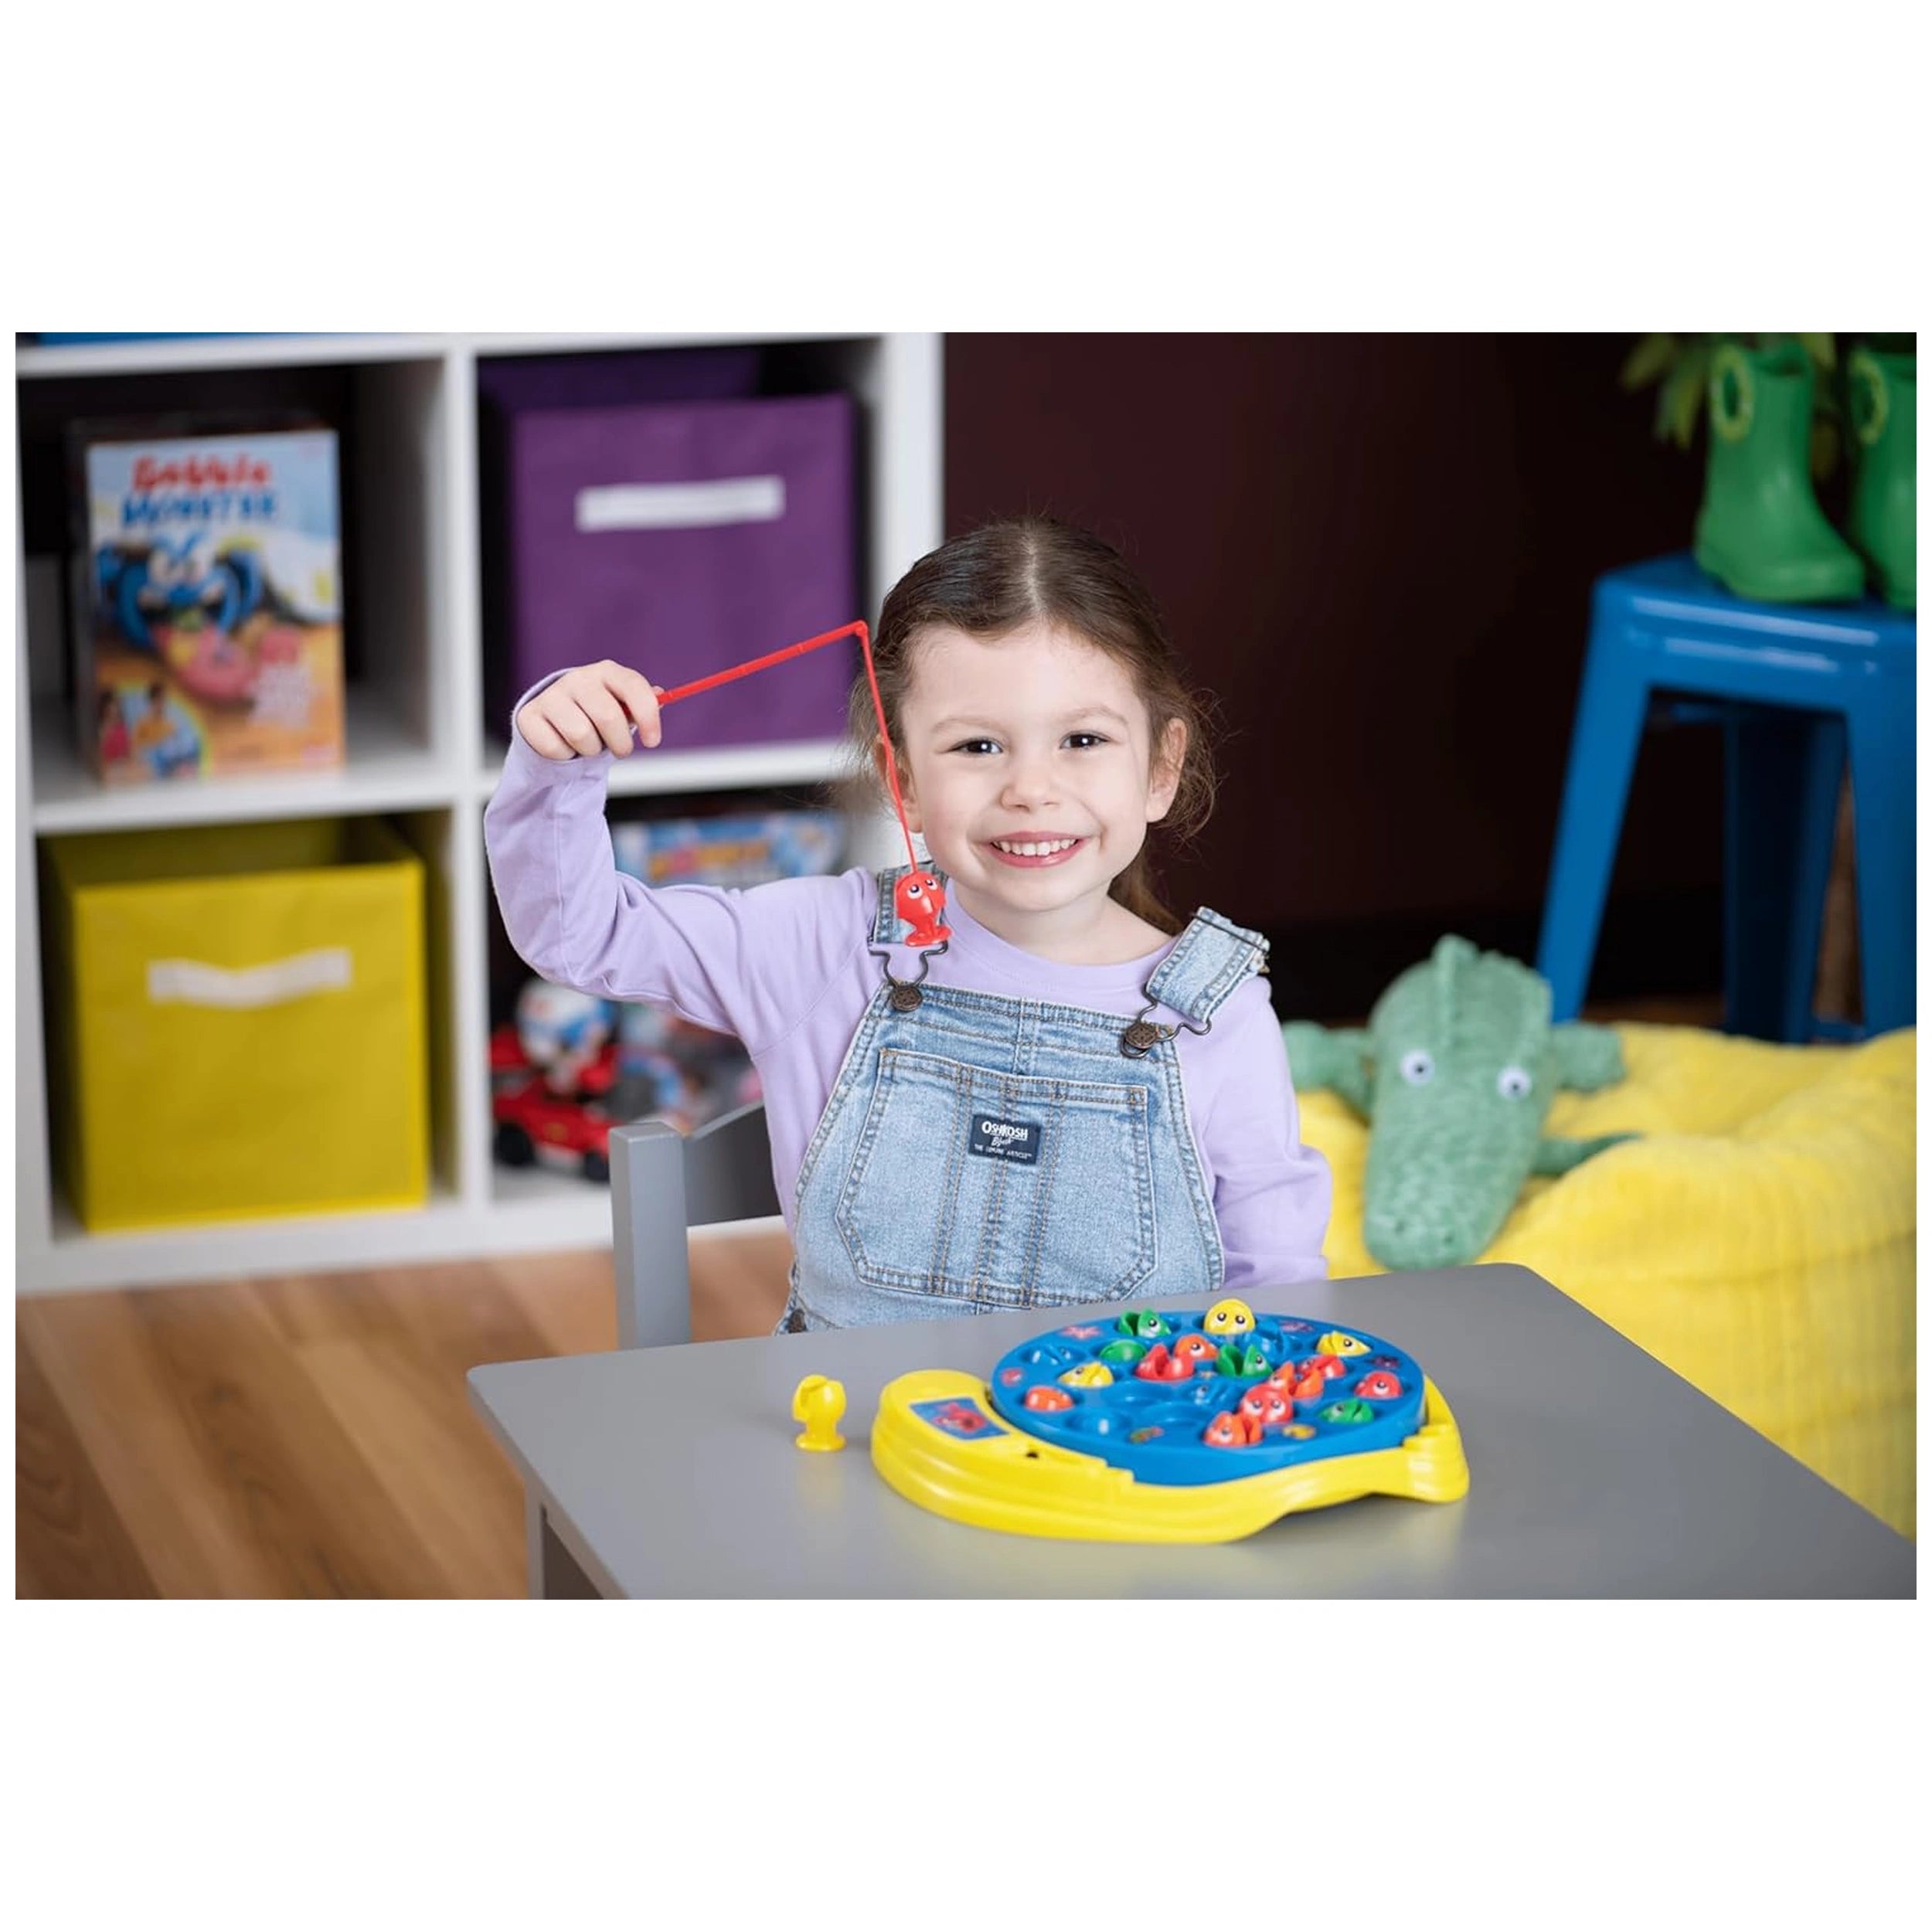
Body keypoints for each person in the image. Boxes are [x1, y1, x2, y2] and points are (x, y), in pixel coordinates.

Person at [485, 515, 1331, 1331]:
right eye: (977, 747)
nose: (1031, 790)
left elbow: (1276, 1298)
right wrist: (555, 768)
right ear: (907, 781)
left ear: (1159, 768)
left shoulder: (1218, 1014)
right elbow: (577, 934)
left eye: (1081, 740)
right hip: (856, 1423)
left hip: (1126, 1431)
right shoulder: (826, 946)